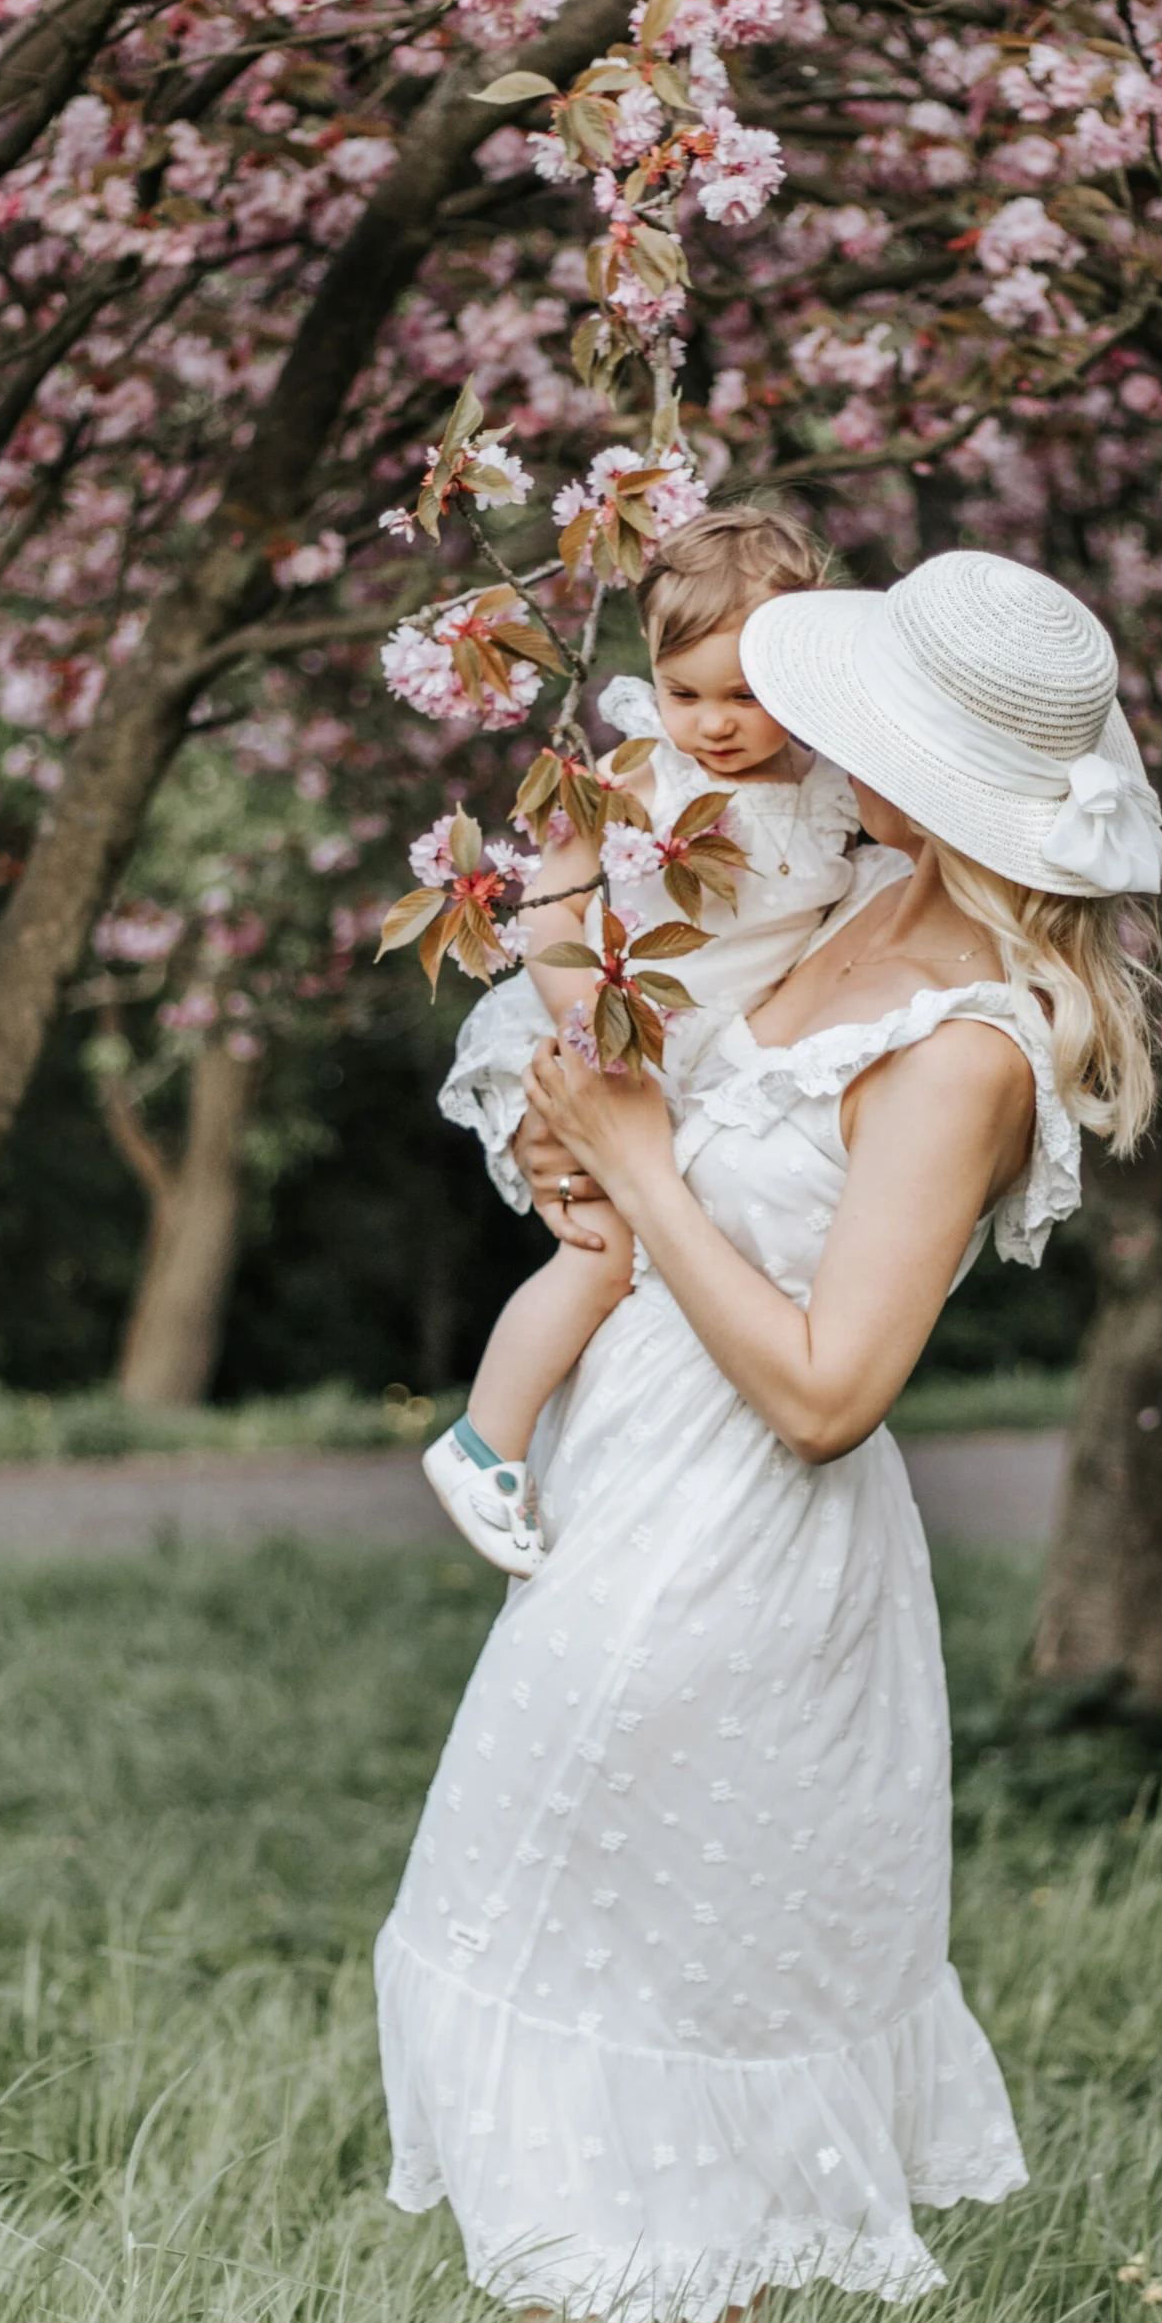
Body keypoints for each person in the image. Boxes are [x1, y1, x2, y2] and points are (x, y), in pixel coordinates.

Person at [376, 549, 1162, 2323]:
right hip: (631, 1495)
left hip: (735, 1553)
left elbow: (831, 1390)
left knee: (618, 1999)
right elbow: (648, 1061)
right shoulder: (853, 887)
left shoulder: (970, 1040)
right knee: (563, 1977)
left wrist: (642, 1171)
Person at [422, 507, 878, 1578]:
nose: (713, 724)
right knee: (601, 1257)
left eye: (745, 697)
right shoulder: (638, 773)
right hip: (604, 1042)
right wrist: (588, 1026)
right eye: (686, 693)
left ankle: (588, 1467)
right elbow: (551, 914)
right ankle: (483, 1442)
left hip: (707, 1067)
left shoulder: (832, 796)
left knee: (676, 1272)